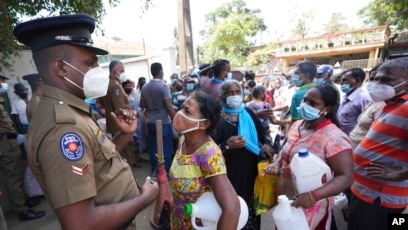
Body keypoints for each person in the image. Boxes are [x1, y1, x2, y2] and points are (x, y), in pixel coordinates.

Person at [13, 14, 158, 229]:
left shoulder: (71, 109)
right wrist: (144, 200)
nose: (97, 70)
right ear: (61, 68)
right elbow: (80, 224)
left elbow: (97, 161)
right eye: (90, 63)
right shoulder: (62, 128)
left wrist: (125, 134)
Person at [264, 83, 354, 230]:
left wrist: (314, 196)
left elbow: (346, 177)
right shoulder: (297, 125)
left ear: (327, 109)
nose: (306, 105)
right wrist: (277, 163)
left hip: (313, 205)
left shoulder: (334, 138)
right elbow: (287, 149)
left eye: (313, 103)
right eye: (305, 100)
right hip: (287, 200)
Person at [347, 57, 408, 230]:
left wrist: (400, 175)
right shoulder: (393, 105)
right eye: (376, 79)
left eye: (387, 80)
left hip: (379, 199)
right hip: (367, 193)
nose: (377, 84)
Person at [169, 90, 240, 229]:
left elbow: (232, 209)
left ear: (204, 124)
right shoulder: (183, 140)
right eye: (182, 108)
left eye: (187, 112)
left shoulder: (209, 155)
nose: (179, 114)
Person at [211, 80, 275, 230]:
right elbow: (209, 151)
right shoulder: (216, 120)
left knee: (250, 210)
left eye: (237, 92)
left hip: (250, 173)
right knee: (231, 210)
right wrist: (227, 145)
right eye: (230, 93)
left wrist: (266, 144)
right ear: (222, 97)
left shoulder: (248, 113)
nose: (235, 96)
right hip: (228, 176)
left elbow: (264, 134)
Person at [0, 72, 46, 222]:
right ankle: (22, 211)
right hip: (4, 143)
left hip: (10, 141)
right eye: (1, 80)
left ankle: (23, 202)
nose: (2, 84)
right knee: (12, 177)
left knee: (16, 174)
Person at [140, 62, 176, 174]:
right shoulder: (163, 86)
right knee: (166, 147)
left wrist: (152, 105)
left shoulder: (145, 87)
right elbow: (168, 105)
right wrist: (175, 118)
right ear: (161, 71)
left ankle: (155, 170)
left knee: (153, 147)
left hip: (150, 121)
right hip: (164, 122)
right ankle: (166, 171)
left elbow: (142, 104)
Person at [97, 60, 134, 166]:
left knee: (119, 154)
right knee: (126, 156)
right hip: (121, 126)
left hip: (113, 125)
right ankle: (130, 180)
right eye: (122, 70)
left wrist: (108, 111)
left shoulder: (105, 85)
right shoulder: (115, 86)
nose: (124, 73)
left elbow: (99, 105)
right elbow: (120, 110)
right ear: (114, 72)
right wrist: (128, 131)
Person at [348, 63, 385, 150]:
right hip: (353, 147)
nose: (373, 83)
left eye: (381, 80)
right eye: (371, 79)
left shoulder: (384, 106)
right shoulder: (374, 100)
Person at [122, 79, 148, 168]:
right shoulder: (122, 96)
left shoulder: (135, 94)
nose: (129, 87)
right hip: (129, 121)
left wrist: (138, 112)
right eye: (127, 86)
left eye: (130, 86)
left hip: (138, 121)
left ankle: (138, 157)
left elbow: (140, 105)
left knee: (139, 140)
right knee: (132, 141)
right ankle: (133, 161)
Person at [337, 68, 372, 135]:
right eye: (341, 80)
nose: (341, 83)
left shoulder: (364, 98)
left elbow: (367, 123)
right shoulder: (347, 96)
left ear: (357, 81)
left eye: (345, 80)